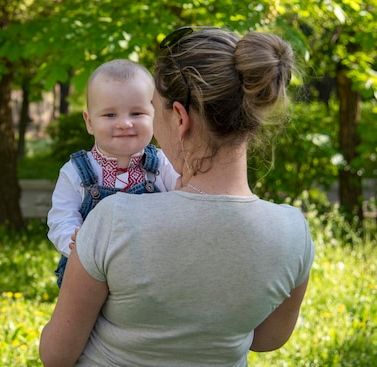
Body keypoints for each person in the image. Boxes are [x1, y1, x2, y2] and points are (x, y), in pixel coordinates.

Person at [40, 27, 315, 366]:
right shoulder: (293, 231)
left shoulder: (112, 220)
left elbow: (56, 356)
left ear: (181, 118)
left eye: (152, 110)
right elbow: (267, 339)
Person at [47, 59, 180, 288]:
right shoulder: (76, 172)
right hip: (92, 272)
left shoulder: (162, 164)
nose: (124, 123)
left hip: (153, 270)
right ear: (89, 122)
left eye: (137, 113)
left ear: (155, 116)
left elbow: (185, 197)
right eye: (110, 115)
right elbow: (61, 218)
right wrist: (75, 243)